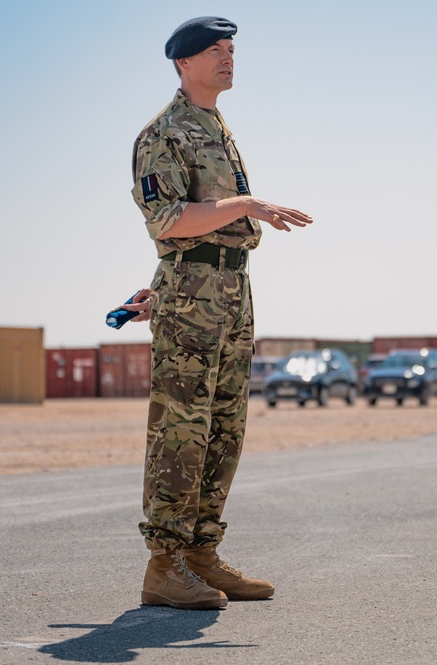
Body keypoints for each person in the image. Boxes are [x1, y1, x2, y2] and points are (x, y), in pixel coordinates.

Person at [125, 16, 313, 610]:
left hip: (229, 291)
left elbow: (196, 232)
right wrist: (248, 204)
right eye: (215, 49)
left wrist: (157, 289)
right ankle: (165, 565)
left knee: (224, 430)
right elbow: (170, 222)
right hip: (196, 299)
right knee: (181, 431)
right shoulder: (164, 133)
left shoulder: (216, 127)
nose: (228, 57)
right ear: (183, 62)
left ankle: (201, 555)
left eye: (230, 49)